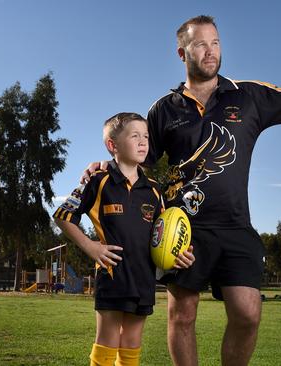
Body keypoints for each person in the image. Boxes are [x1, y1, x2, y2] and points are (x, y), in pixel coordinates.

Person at [81, 15, 281, 366]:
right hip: (184, 229)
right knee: (182, 314)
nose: (210, 51)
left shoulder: (248, 96)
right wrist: (103, 166)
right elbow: (136, 161)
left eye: (215, 43)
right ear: (182, 53)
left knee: (247, 313)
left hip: (235, 225)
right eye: (200, 44)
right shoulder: (164, 110)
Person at [54, 112, 195, 366]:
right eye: (134, 136)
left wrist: (178, 253)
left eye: (146, 137)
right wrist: (91, 247)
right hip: (112, 275)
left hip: (143, 279)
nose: (143, 142)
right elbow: (62, 215)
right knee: (107, 342)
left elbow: (163, 236)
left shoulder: (154, 189)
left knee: (131, 344)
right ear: (112, 145)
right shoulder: (97, 180)